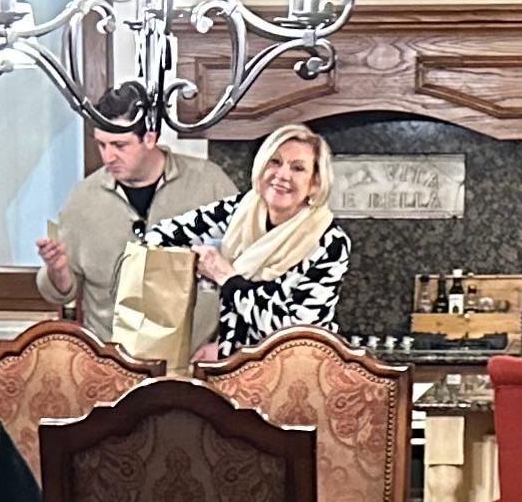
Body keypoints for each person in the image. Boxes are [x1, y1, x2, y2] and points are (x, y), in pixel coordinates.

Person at [33, 95, 238, 345]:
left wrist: (221, 345)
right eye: (102, 145)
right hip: (111, 357)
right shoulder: (83, 200)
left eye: (119, 145)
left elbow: (248, 270)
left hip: (195, 356)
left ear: (150, 138)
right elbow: (62, 292)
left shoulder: (210, 186)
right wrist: (57, 271)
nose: (108, 157)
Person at [134, 122, 349, 358]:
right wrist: (196, 261)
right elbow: (159, 237)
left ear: (315, 182)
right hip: (231, 364)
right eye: (274, 162)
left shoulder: (329, 243)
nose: (282, 175)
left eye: (298, 168)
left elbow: (294, 334)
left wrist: (226, 278)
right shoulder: (239, 211)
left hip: (294, 368)